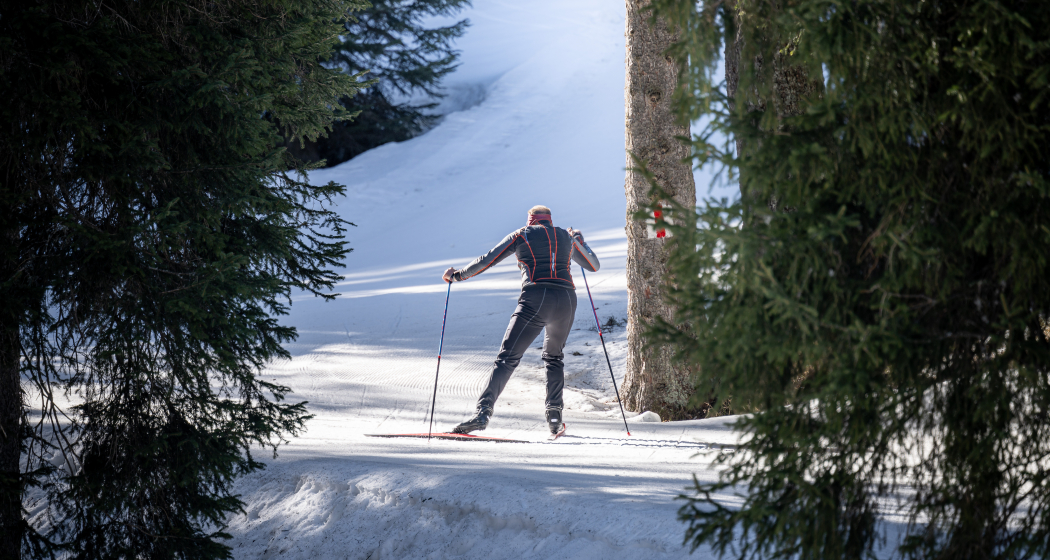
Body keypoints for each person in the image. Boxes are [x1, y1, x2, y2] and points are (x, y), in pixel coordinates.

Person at [442, 205, 600, 435]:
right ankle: (555, 417)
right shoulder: (566, 237)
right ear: (549, 220)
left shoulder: (522, 234)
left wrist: (457, 275)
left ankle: (483, 413)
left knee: (507, 358)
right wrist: (580, 241)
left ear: (531, 221)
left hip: (536, 297)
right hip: (566, 300)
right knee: (554, 357)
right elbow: (593, 265)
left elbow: (488, 260)